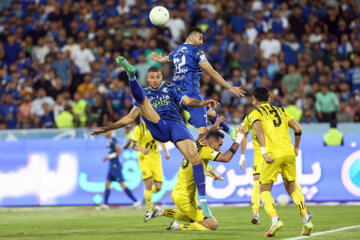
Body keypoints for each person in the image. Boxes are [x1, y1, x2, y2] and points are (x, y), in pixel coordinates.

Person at [91, 56, 227, 219]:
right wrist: (106, 128)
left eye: (157, 77)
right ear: (148, 79)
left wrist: (204, 103)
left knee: (195, 158)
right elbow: (128, 119)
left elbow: (188, 100)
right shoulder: (146, 93)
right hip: (158, 124)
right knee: (143, 102)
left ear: (161, 77)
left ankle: (203, 202)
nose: (155, 80)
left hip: (177, 125)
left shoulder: (171, 88)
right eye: (152, 77)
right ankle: (131, 75)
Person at [144, 117, 246, 230]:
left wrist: (212, 128)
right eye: (219, 145)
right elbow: (226, 158)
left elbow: (201, 138)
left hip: (183, 193)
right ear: (211, 143)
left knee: (194, 218)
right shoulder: (205, 151)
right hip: (184, 197)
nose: (219, 149)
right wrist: (239, 139)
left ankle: (160, 211)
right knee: (212, 225)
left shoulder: (195, 145)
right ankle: (178, 227)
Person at [241, 87, 313, 237]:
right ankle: (307, 221)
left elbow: (258, 132)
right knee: (292, 188)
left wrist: (263, 152)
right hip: (288, 153)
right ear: (269, 99)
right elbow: (298, 128)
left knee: (265, 190)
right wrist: (296, 147)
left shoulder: (255, 114)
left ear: (254, 100)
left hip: (272, 155)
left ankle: (275, 220)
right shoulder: (282, 111)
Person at [151, 27, 244, 139]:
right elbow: (211, 71)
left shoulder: (177, 50)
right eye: (200, 38)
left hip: (177, 94)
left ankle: (231, 132)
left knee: (209, 112)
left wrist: (160, 59)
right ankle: (192, 156)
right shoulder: (196, 51)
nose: (201, 42)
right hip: (191, 93)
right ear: (191, 36)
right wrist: (229, 87)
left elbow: (167, 59)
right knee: (203, 132)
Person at [130, 121, 170, 210]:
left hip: (156, 159)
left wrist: (166, 152)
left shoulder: (157, 127)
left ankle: (146, 195)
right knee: (148, 183)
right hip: (144, 159)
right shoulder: (139, 128)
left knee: (159, 187)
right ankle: (149, 208)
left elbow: (162, 141)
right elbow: (132, 145)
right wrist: (141, 149)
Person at [97, 130, 141, 210]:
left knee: (123, 185)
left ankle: (136, 201)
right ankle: (105, 204)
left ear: (110, 132)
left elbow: (119, 151)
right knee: (107, 185)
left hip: (116, 167)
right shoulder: (109, 141)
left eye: (107, 131)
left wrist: (108, 157)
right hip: (111, 167)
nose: (106, 133)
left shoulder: (113, 140)